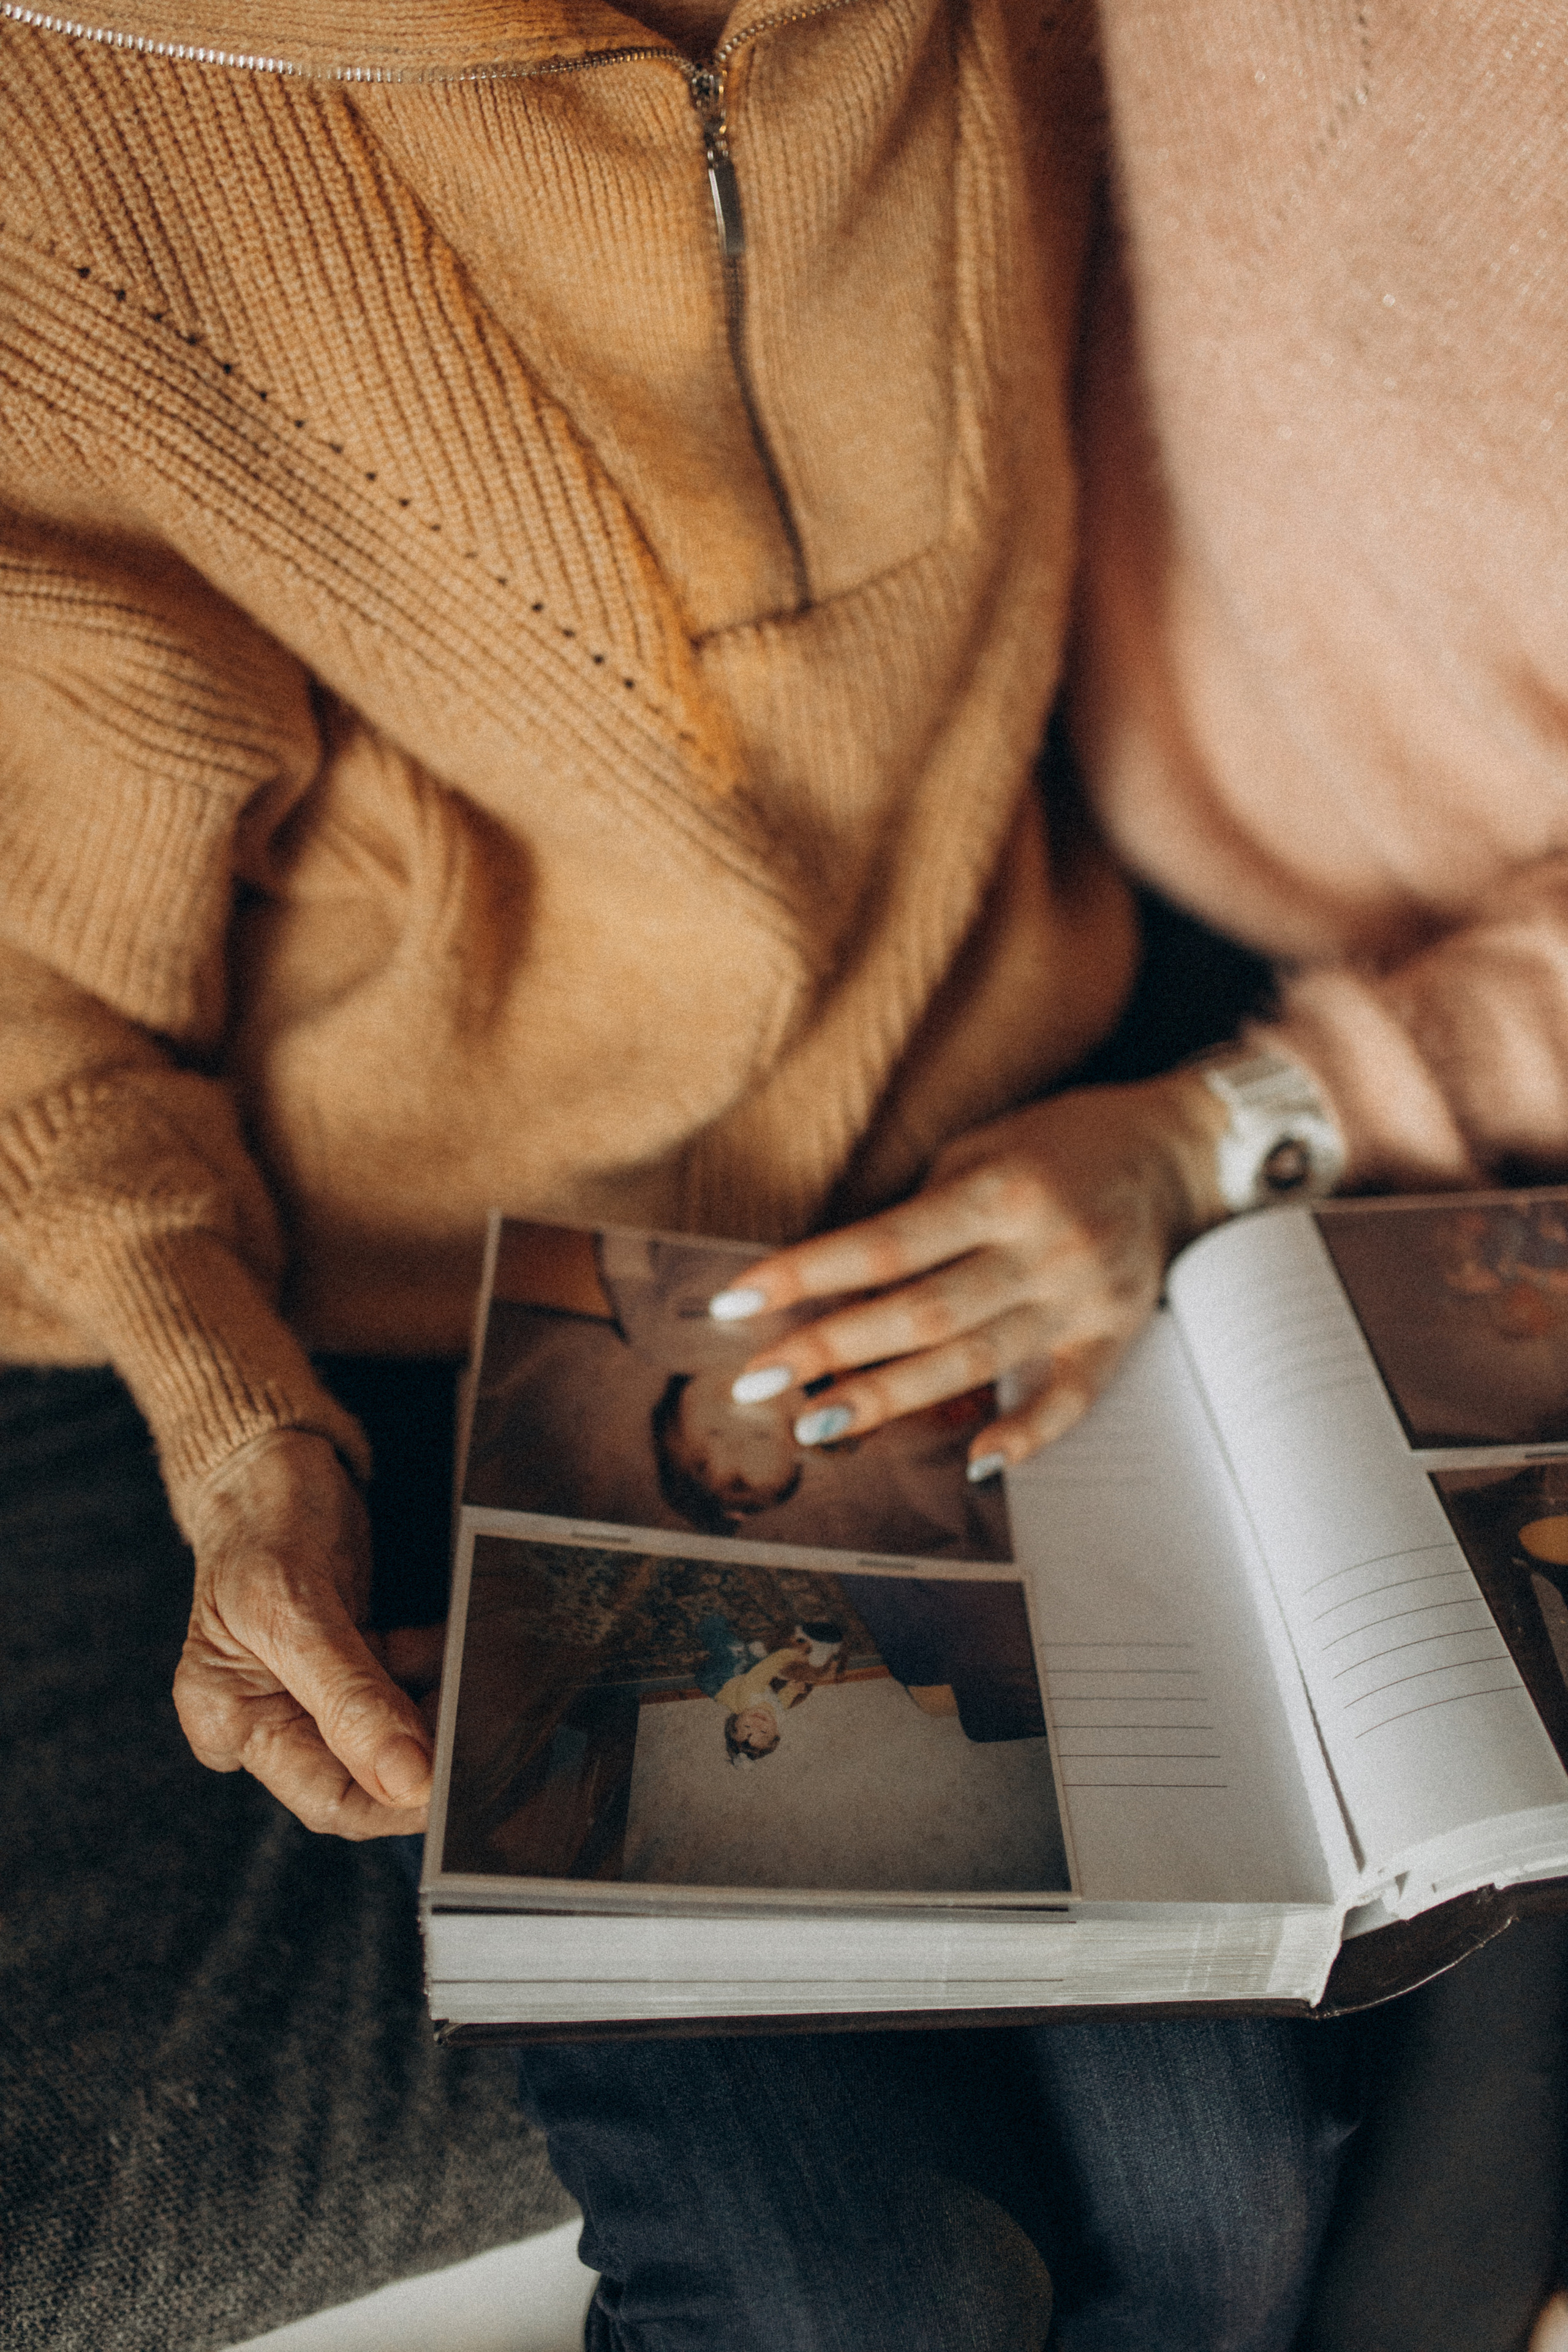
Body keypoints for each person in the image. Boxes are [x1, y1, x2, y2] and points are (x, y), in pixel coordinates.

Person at [6, 1, 1568, 2345]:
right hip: (452, 1301)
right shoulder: (68, 160)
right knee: (859, 2295)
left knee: (1232, 2212)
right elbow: (39, 999)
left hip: (970, 1202)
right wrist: (241, 1429)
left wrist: (1196, 1130)